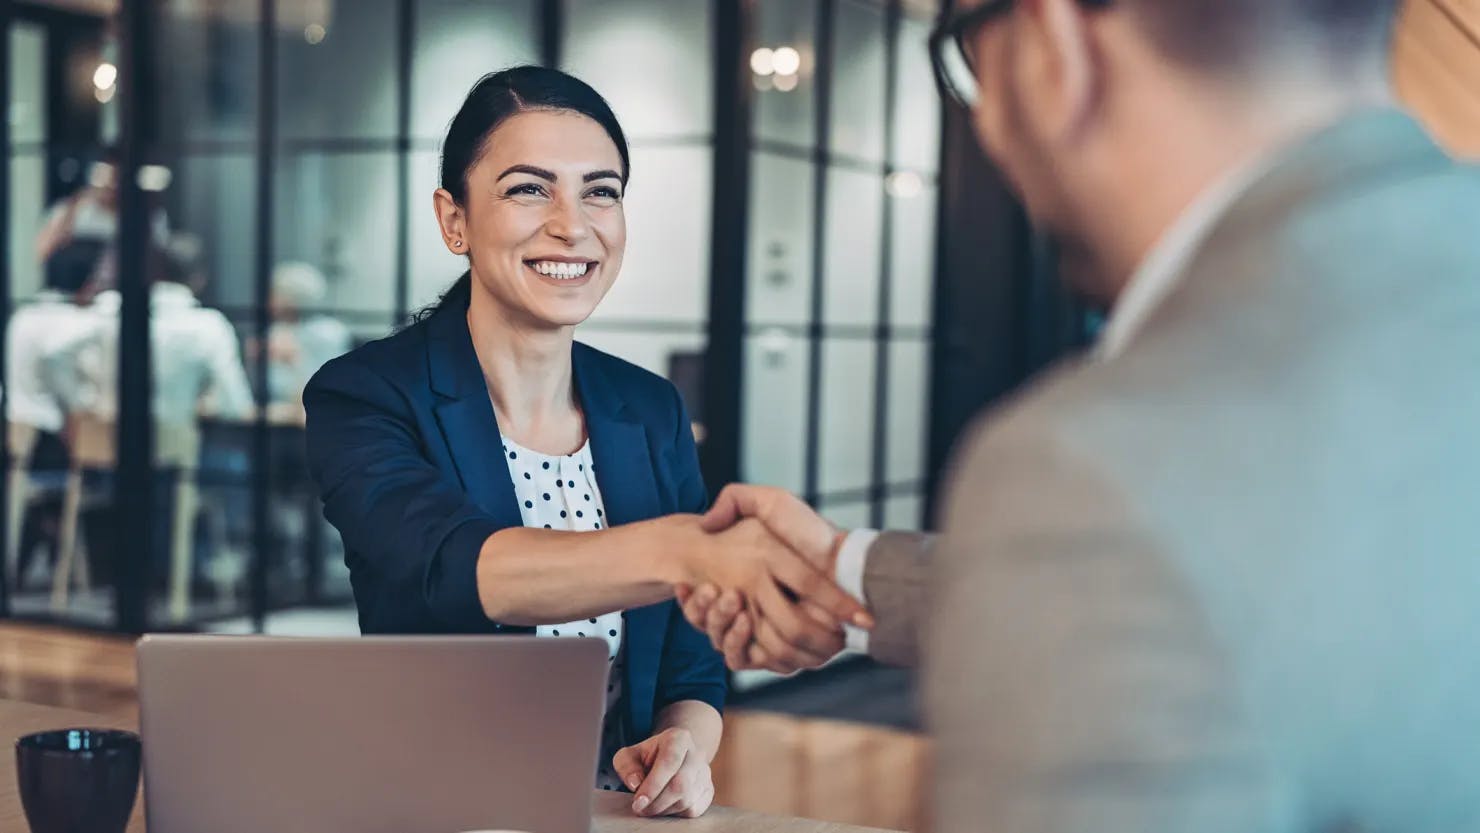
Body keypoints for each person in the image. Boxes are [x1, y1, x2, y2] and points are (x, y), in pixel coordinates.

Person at [682, 0, 1480, 830]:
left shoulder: (1096, 465)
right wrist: (843, 567)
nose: (987, 125)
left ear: (1053, 45)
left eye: (967, 68)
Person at [302, 66, 869, 819]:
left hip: (614, 815)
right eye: (529, 188)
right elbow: (449, 566)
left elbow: (690, 664)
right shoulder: (364, 394)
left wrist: (684, 747)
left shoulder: (650, 407)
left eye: (600, 190)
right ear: (454, 219)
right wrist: (687, 549)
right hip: (437, 811)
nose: (573, 224)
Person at [261, 262, 352, 407]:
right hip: (277, 413)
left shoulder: (328, 332)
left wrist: (294, 359)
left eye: (275, 294)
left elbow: (329, 387)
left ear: (293, 298)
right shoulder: (277, 331)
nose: (269, 301)